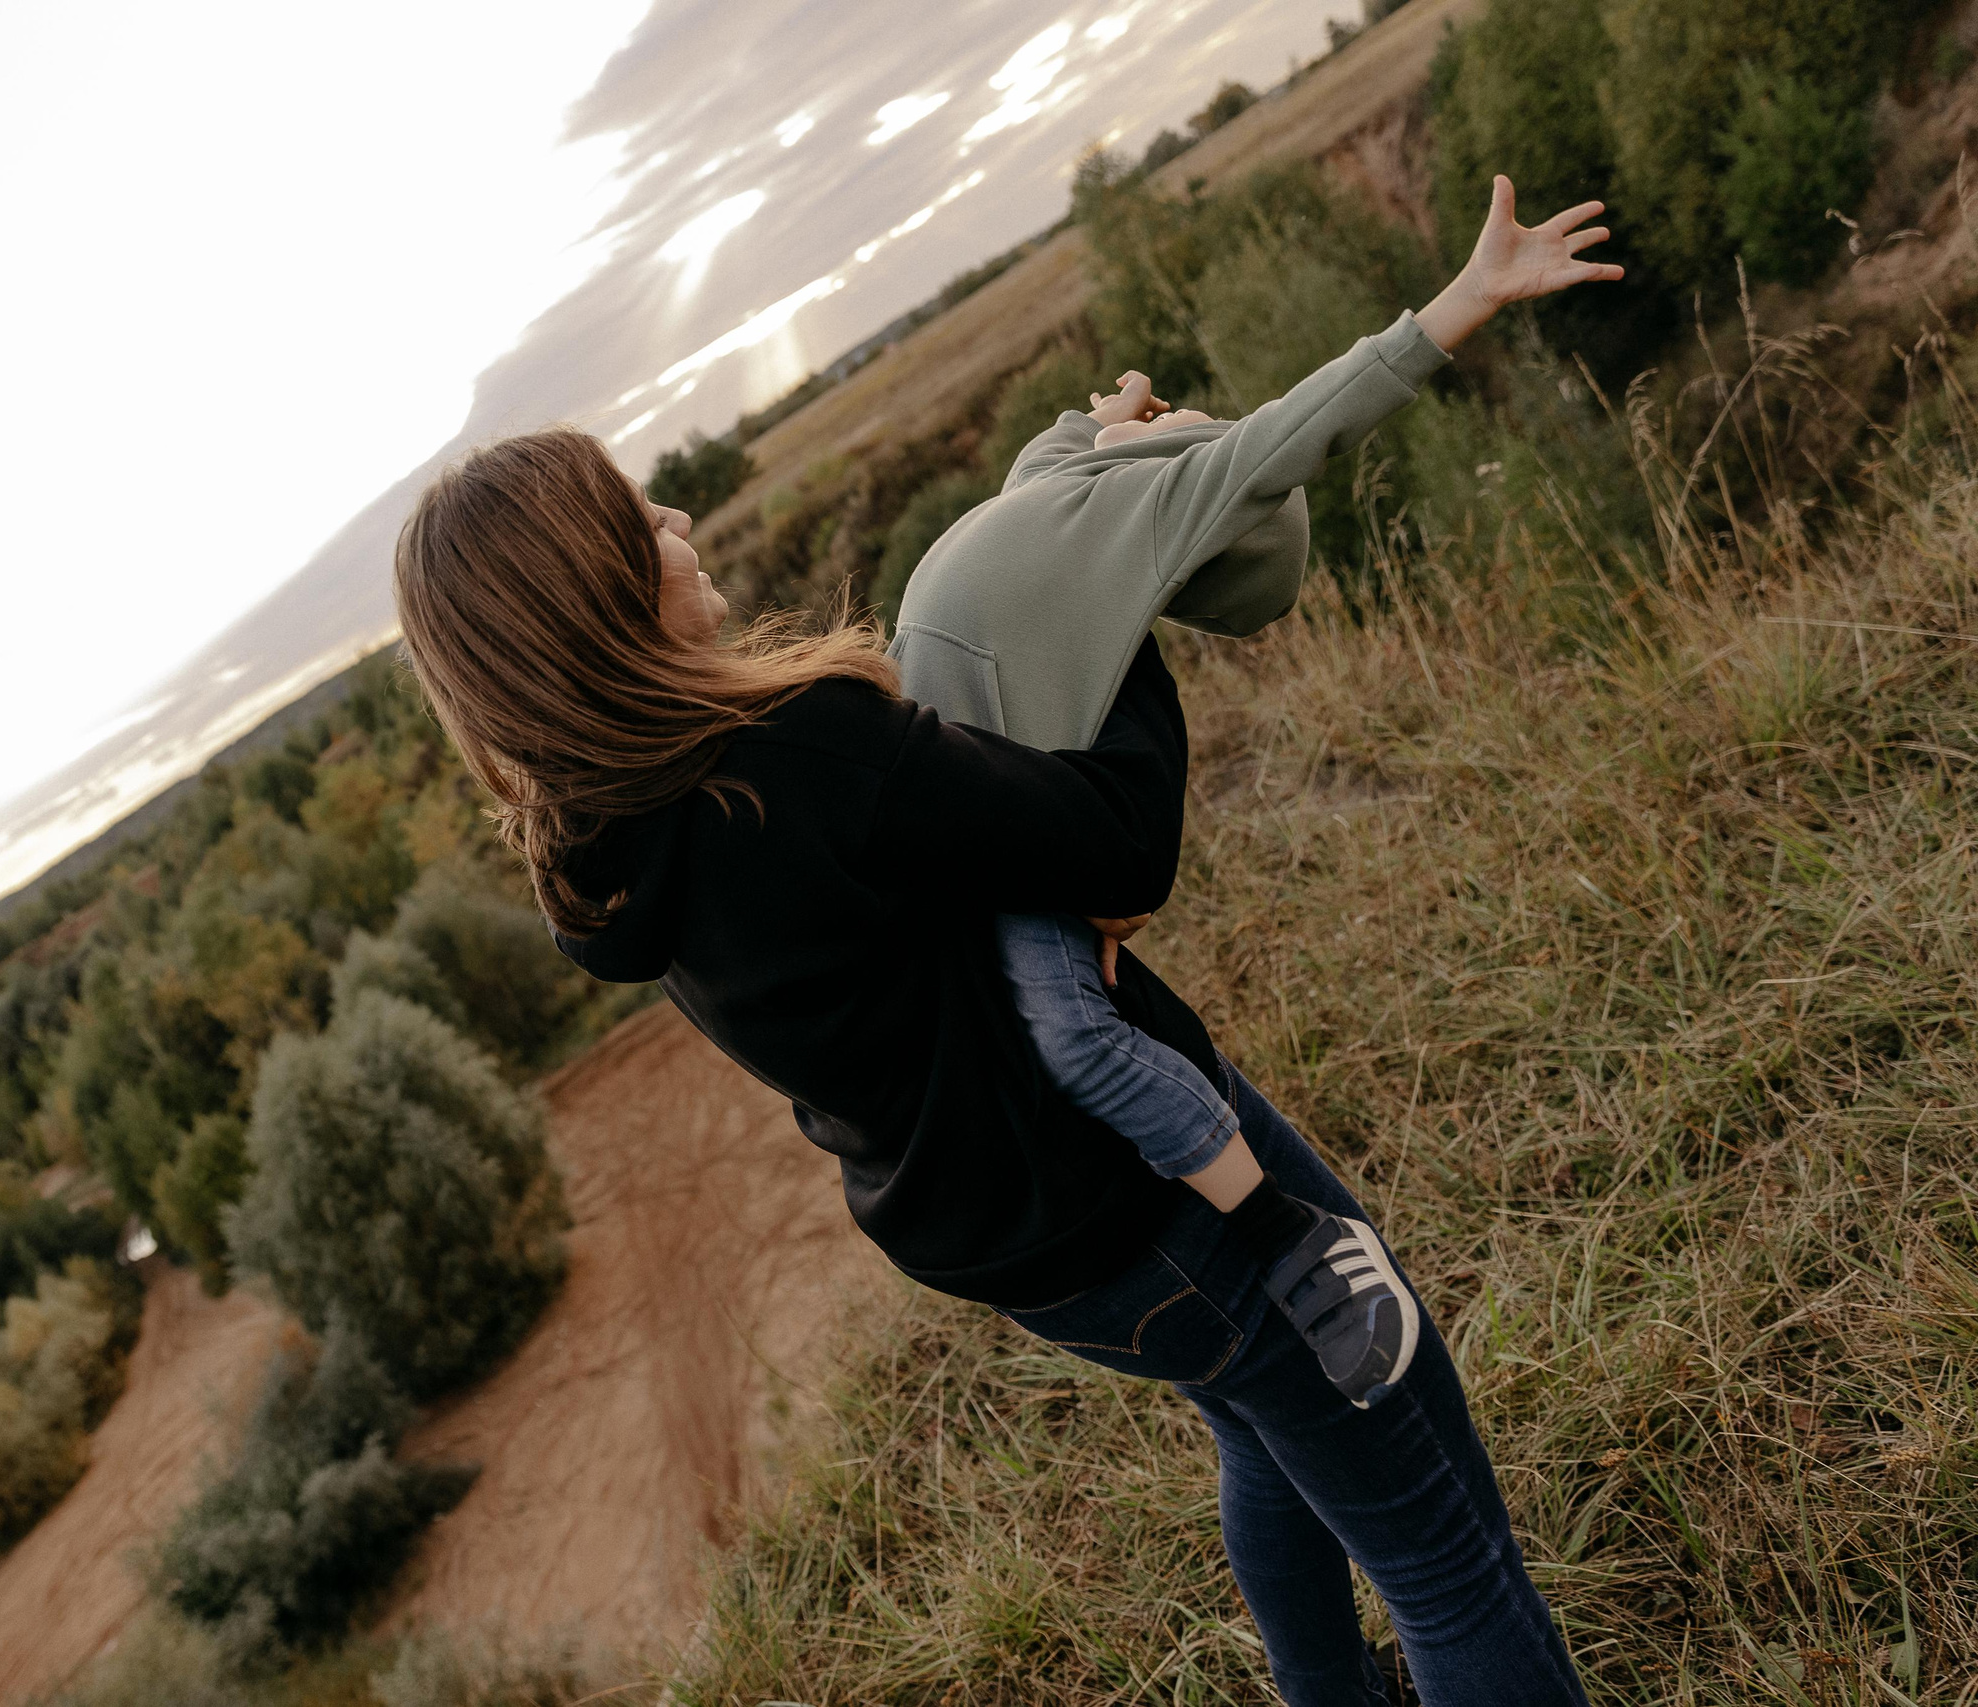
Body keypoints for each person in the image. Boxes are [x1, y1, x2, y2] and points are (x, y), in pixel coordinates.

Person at [389, 174, 1615, 1707]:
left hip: (1018, 1247)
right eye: (634, 516)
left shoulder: (610, 857)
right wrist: (1124, 615)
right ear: (589, 592)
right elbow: (1117, 843)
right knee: (1439, 1535)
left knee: (1267, 1420)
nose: (674, 517)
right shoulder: (808, 754)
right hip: (1148, 1183)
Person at [889, 174, 1622, 1415]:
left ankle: (1239, 1240)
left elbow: (1078, 429)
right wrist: (1466, 297)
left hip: (967, 828)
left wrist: (1118, 404)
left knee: (1065, 1024)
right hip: (962, 829)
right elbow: (1301, 426)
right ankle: (1293, 1234)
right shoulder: (1127, 494)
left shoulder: (1051, 478)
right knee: (1071, 1037)